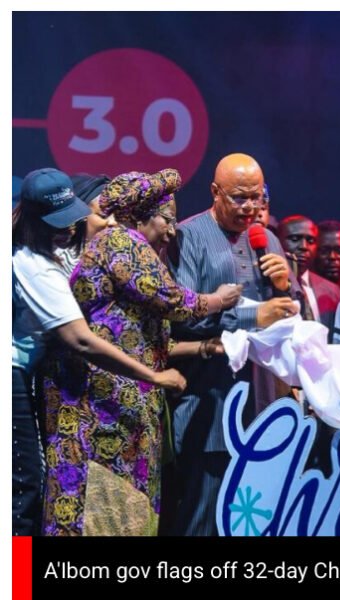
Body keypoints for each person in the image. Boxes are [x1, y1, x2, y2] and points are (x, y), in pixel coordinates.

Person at [39, 168, 241, 537]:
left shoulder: (128, 247)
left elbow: (146, 339)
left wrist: (204, 347)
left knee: (122, 507)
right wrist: (217, 300)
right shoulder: (121, 241)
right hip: (98, 403)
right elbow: (174, 302)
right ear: (141, 213)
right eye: (167, 219)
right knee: (98, 506)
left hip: (117, 400)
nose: (172, 231)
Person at [12, 168, 187, 536]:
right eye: (59, 221)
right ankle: (16, 573)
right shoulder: (34, 265)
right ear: (35, 221)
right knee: (22, 494)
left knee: (32, 490)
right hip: (15, 378)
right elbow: (82, 340)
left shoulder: (65, 256)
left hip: (35, 380)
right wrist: (154, 377)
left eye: (71, 218)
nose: (68, 227)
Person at [167, 153, 300, 536]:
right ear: (215, 192)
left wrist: (283, 288)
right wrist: (254, 316)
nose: (249, 207)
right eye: (239, 197)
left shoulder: (267, 239)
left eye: (256, 197)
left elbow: (287, 318)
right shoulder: (189, 236)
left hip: (262, 400)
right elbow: (182, 317)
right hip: (209, 403)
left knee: (254, 520)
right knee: (203, 517)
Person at [278, 215, 340, 338]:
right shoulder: (264, 286)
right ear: (277, 241)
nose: (304, 246)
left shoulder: (331, 290)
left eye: (310, 241)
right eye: (295, 239)